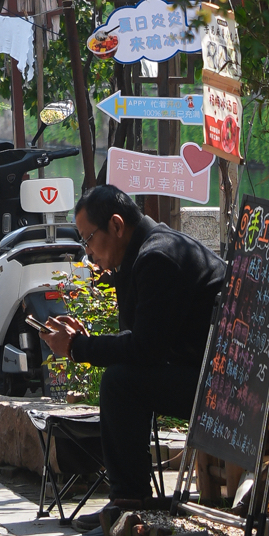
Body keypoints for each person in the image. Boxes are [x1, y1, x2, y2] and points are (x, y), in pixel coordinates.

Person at [37, 182, 226, 504]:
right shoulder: (140, 253)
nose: (88, 252)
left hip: (227, 383)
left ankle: (129, 502)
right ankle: (128, 500)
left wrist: (75, 348)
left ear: (116, 225)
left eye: (88, 239)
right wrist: (85, 340)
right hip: (198, 368)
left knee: (120, 383)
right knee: (123, 377)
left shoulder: (158, 257)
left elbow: (144, 350)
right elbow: (139, 337)